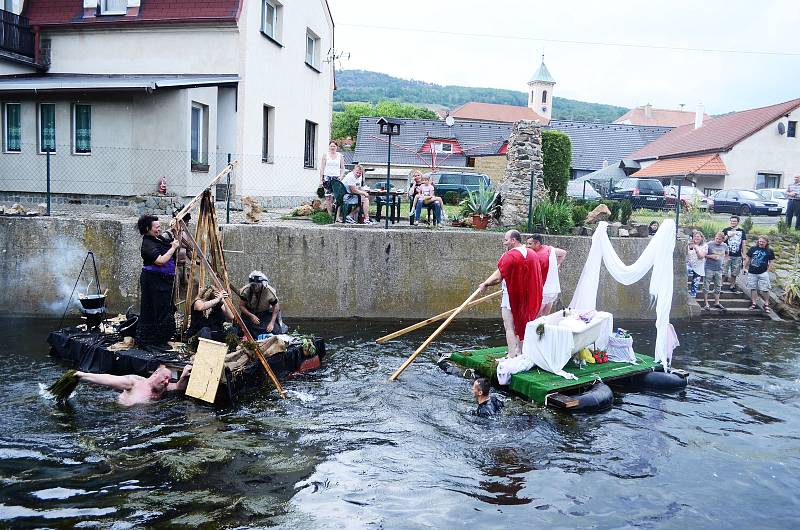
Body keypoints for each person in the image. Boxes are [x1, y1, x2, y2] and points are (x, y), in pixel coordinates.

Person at [478, 230, 543, 358]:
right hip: (529, 296)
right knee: (523, 324)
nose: (504, 243)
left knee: (509, 326)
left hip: (512, 295)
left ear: (513, 240)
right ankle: (522, 353)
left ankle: (511, 355)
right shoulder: (532, 254)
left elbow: (498, 278)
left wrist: (486, 285)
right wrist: (485, 282)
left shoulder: (509, 256)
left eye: (506, 240)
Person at [135, 214, 180, 349]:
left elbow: (167, 240)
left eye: (160, 227)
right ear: (148, 228)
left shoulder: (157, 238)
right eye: (157, 227)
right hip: (154, 281)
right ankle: (155, 341)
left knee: (165, 308)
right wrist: (173, 248)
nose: (159, 229)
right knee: (157, 309)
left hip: (164, 281)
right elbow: (160, 261)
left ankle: (162, 338)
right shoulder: (147, 244)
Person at [74, 365, 192, 406]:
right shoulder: (135, 382)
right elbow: (109, 379)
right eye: (165, 378)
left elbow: (178, 387)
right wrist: (82, 375)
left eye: (169, 380)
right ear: (156, 374)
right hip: (123, 414)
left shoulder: (163, 388)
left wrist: (184, 375)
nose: (167, 382)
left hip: (146, 420)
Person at [238, 270, 288, 338]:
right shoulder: (246, 290)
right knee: (242, 331)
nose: (255, 287)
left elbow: (276, 307)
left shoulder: (269, 291)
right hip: (249, 314)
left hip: (264, 314)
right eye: (253, 285)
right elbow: (241, 306)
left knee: (275, 330)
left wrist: (272, 323)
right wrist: (251, 316)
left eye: (257, 285)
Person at [526, 234, 567, 316]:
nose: (527, 246)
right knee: (545, 316)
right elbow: (563, 253)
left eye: (530, 244)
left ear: (537, 244)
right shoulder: (549, 249)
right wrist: (556, 266)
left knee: (535, 316)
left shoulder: (538, 257)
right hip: (553, 290)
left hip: (544, 290)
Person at [744, 236, 776, 312]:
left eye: (763, 242)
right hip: (752, 272)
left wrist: (768, 270)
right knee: (753, 288)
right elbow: (747, 258)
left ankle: (766, 304)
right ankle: (754, 303)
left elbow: (771, 261)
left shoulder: (769, 251)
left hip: (763, 273)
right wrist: (744, 267)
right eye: (760, 241)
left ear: (766, 243)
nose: (761, 243)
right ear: (758, 241)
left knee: (765, 289)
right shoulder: (753, 249)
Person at [319, 141, 345, 220]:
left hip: (336, 178)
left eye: (334, 146)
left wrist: (341, 177)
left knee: (337, 198)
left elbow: (343, 168)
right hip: (327, 178)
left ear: (336, 147)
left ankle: (337, 217)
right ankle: (330, 216)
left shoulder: (340, 156)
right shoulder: (325, 155)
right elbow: (322, 168)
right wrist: (321, 179)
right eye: (331, 146)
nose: (332, 148)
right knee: (328, 198)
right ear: (329, 147)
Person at [703, 232, 729, 311]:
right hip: (709, 268)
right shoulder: (709, 244)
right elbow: (703, 254)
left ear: (723, 239)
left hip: (719, 269)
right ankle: (706, 303)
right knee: (706, 285)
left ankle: (717, 302)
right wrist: (710, 256)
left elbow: (727, 254)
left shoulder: (724, 245)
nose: (718, 240)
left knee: (718, 286)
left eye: (719, 239)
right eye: (716, 238)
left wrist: (725, 261)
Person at [722, 215, 746, 293]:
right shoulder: (726, 230)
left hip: (737, 255)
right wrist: (728, 235)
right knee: (723, 271)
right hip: (727, 254)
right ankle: (720, 285)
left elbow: (743, 243)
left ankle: (732, 286)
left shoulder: (741, 231)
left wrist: (744, 254)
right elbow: (721, 240)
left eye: (735, 221)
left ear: (738, 222)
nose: (733, 222)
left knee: (735, 272)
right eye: (732, 221)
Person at [687, 231, 707, 299]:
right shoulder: (689, 244)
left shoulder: (704, 246)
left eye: (698, 236)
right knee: (685, 272)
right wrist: (686, 246)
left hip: (699, 267)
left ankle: (693, 297)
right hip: (689, 265)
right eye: (695, 236)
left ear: (701, 238)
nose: (696, 238)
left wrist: (696, 248)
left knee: (695, 284)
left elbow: (701, 256)